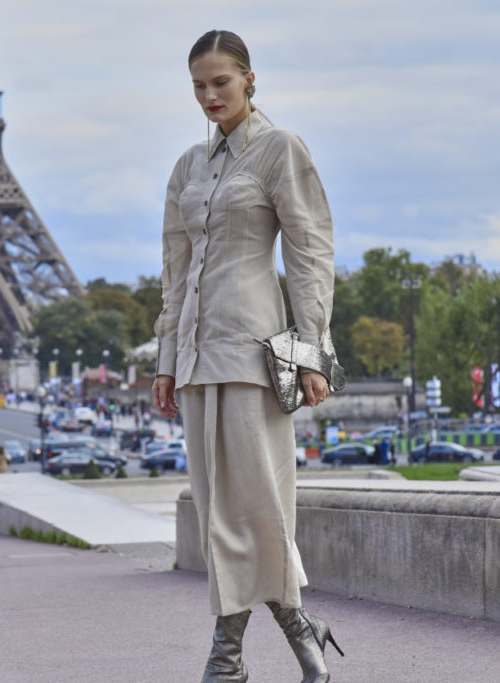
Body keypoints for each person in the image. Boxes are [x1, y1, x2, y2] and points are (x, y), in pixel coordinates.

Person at [151, 30, 342, 681]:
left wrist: (313, 350)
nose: (209, 95)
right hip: (200, 363)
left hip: (256, 357)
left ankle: (227, 656)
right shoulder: (187, 168)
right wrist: (166, 358)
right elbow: (175, 274)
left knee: (256, 509)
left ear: (249, 79)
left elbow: (311, 254)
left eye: (221, 83)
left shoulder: (279, 150)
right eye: (199, 86)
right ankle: (297, 630)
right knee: (217, 517)